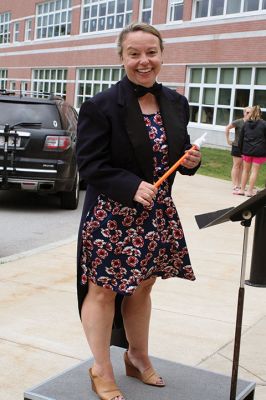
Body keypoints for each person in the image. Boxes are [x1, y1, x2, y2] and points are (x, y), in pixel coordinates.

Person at [76, 22, 201, 400]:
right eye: (134, 53)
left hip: (156, 215)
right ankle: (101, 367)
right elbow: (90, 164)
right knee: (103, 293)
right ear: (122, 58)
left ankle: (137, 356)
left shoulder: (176, 102)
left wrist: (191, 160)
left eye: (151, 52)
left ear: (162, 55)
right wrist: (130, 185)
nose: (143, 61)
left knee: (143, 289)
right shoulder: (100, 105)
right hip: (111, 218)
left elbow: (173, 152)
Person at [235, 105, 266, 197]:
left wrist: (241, 151)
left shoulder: (246, 123)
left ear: (251, 113)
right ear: (260, 114)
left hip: (246, 151)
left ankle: (241, 190)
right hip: (259, 151)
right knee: (254, 171)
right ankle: (249, 191)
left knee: (245, 171)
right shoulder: (264, 124)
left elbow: (241, 139)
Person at [225, 106, 252, 193]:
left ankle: (239, 185)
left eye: (250, 112)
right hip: (237, 146)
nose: (248, 114)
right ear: (244, 113)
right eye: (246, 112)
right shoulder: (239, 122)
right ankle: (234, 185)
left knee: (243, 167)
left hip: (246, 147)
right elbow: (227, 128)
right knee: (236, 165)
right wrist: (228, 140)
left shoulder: (252, 123)